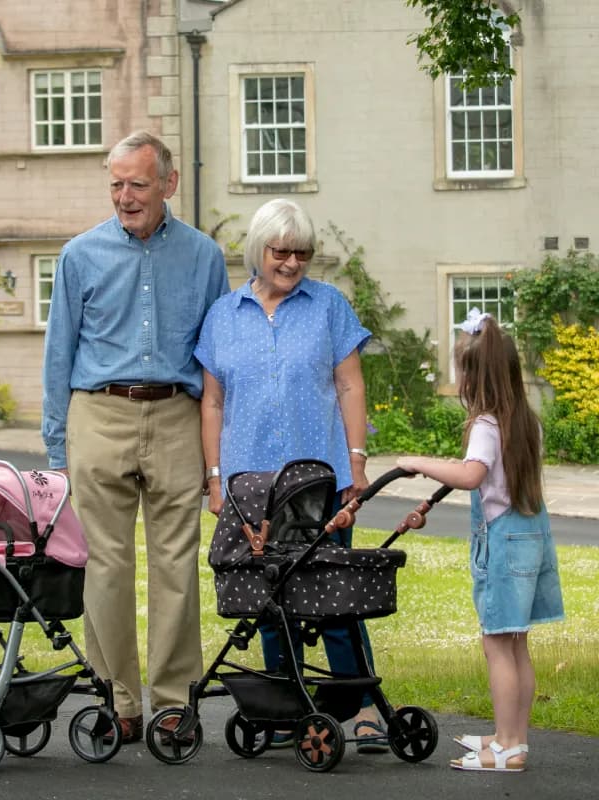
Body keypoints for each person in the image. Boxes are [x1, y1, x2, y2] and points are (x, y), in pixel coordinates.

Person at [41, 130, 229, 744]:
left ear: (168, 184)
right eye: (116, 184)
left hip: (177, 415)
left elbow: (216, 359)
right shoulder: (79, 255)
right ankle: (115, 698)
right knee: (105, 566)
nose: (125, 196)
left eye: (137, 184)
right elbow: (57, 355)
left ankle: (173, 701)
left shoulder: (204, 256)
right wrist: (55, 451)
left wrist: (218, 450)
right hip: (98, 414)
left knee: (177, 562)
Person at [195, 197, 388, 752]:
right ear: (259, 250)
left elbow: (350, 386)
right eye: (281, 251)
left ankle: (365, 707)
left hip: (322, 480)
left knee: (336, 597)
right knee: (271, 599)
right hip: (253, 485)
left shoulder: (329, 306)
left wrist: (356, 463)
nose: (292, 262)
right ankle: (290, 709)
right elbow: (211, 403)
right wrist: (214, 479)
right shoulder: (223, 317)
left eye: (302, 253)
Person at [397, 308, 564, 773]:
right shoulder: (526, 421)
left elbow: (472, 476)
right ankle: (513, 736)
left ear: (474, 375)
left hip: (504, 546)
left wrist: (418, 462)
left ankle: (507, 749)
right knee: (516, 644)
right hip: (530, 537)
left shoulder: (487, 425)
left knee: (496, 646)